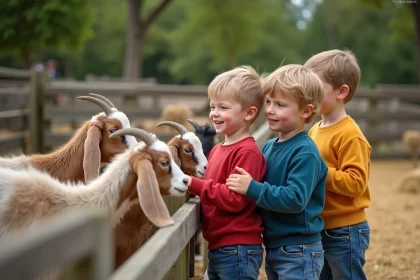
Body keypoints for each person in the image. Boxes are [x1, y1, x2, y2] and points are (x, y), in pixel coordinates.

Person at [226, 64, 327, 280]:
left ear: (306, 111)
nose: (270, 110)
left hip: (299, 247)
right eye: (269, 102)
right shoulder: (270, 147)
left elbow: (295, 199)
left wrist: (251, 187)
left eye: (280, 105)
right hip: (275, 244)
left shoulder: (305, 152)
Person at [185, 65, 266, 280]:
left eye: (223, 107)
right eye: (212, 106)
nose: (214, 113)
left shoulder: (247, 152)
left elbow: (234, 200)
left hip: (238, 247)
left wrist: (192, 184)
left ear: (249, 113)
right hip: (218, 245)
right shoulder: (217, 150)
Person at [304, 49, 371, 280]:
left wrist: (319, 171)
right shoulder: (315, 128)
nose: (308, 94)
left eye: (316, 88)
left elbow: (356, 184)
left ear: (342, 92)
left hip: (346, 230)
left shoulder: (350, 134)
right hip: (320, 225)